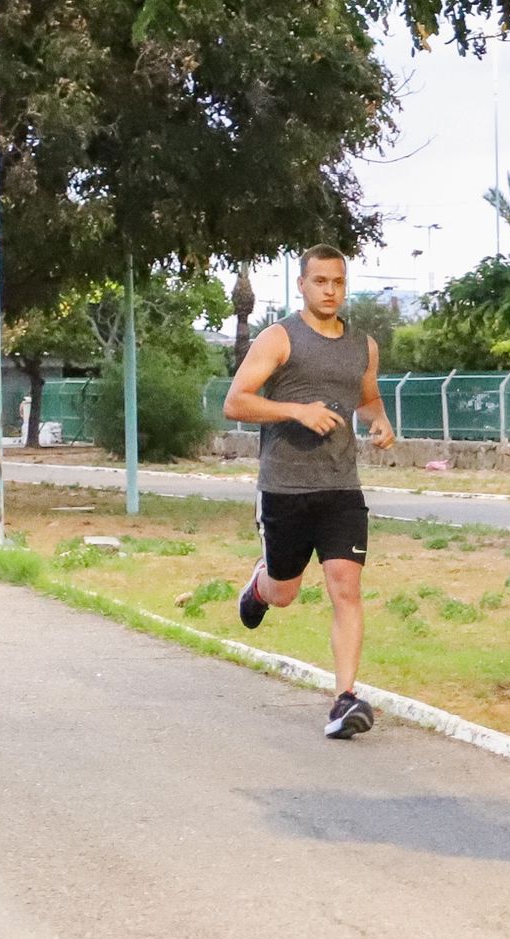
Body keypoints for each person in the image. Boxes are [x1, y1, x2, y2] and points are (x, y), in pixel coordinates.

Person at [222, 244, 397, 739]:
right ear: (302, 285)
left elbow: (368, 396)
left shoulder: (362, 344)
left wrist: (379, 419)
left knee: (346, 586)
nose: (330, 291)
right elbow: (235, 403)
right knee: (285, 593)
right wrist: (297, 411)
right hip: (285, 487)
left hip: (341, 485)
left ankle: (345, 699)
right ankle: (260, 585)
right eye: (321, 281)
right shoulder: (279, 339)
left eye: (338, 282)